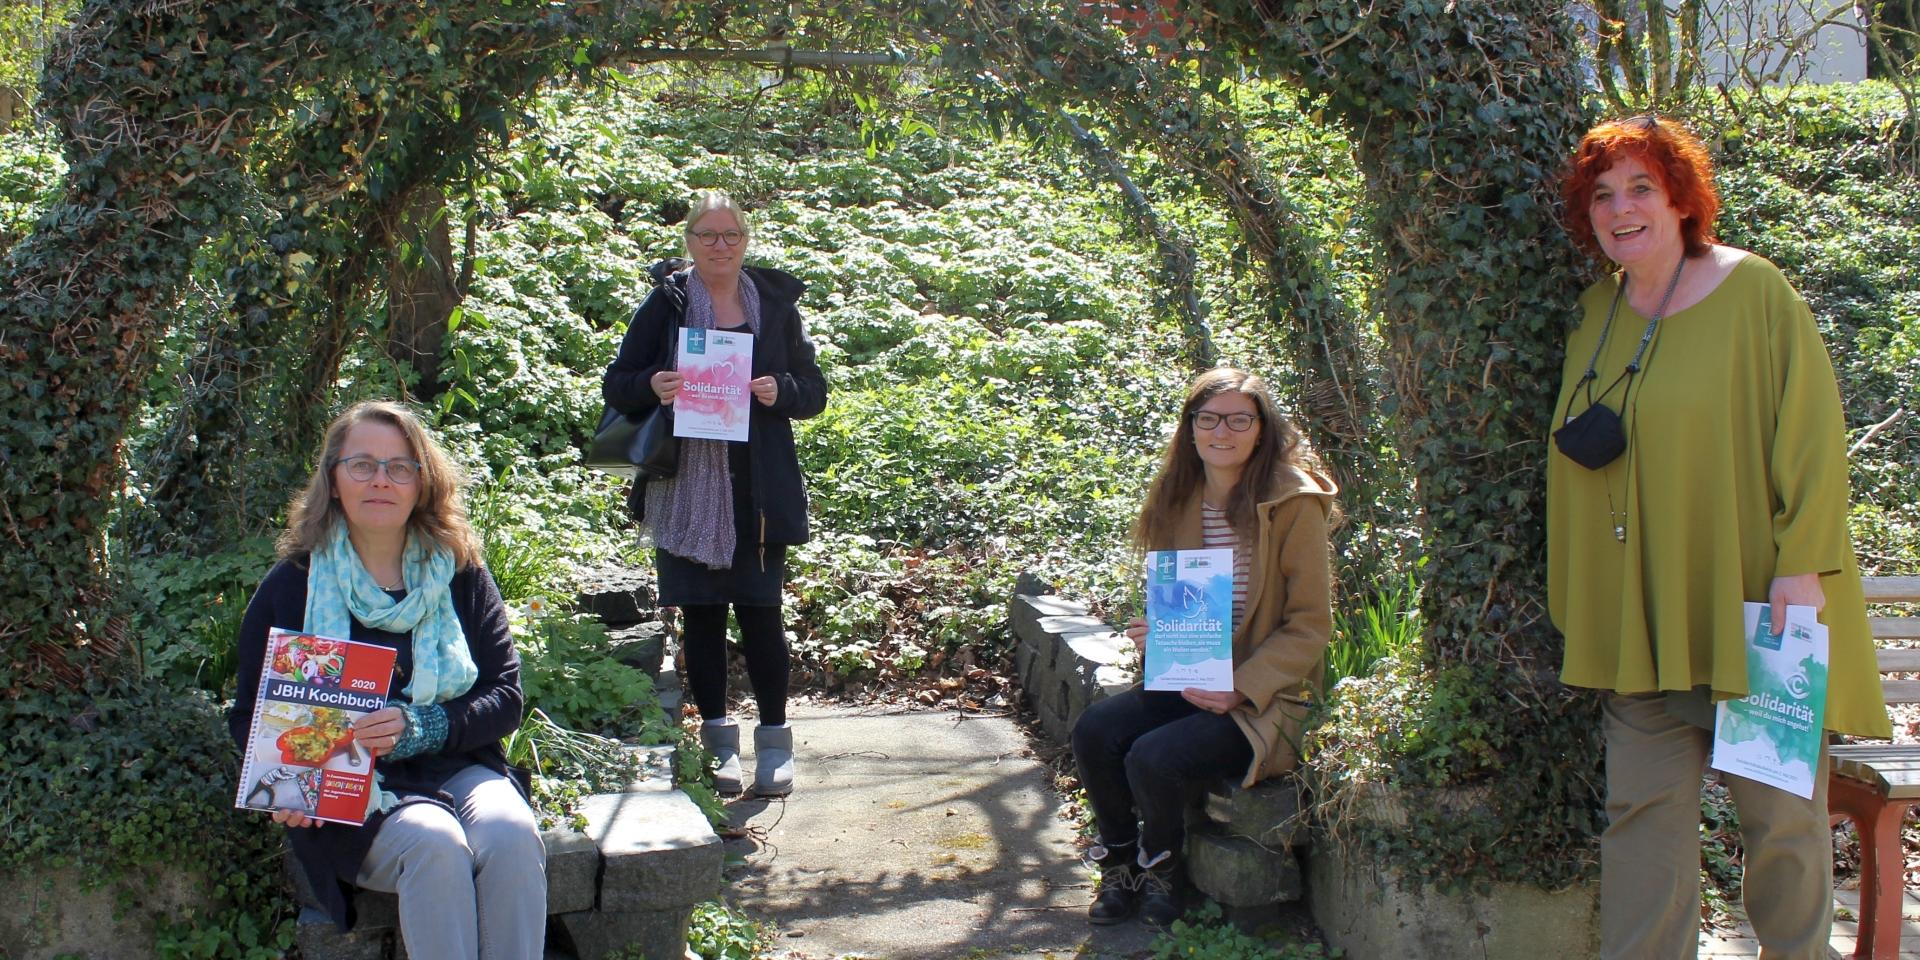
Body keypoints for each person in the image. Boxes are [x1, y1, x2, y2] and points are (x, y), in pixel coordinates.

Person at [1548, 115, 1889, 959]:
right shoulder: (1596, 312)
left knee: (1781, 821)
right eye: (1603, 195)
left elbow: (1811, 436)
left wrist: (1804, 565)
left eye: (1640, 189)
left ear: (1680, 200)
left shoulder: (1754, 291)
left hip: (1755, 610)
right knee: (1643, 827)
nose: (1621, 209)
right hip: (1641, 620)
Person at [229, 401, 546, 958]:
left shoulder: (459, 571)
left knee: (512, 834)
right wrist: (282, 786)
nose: (381, 480)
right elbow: (251, 713)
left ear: (422, 483)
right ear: (333, 477)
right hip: (349, 791)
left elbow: (505, 698)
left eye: (400, 467)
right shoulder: (294, 585)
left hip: (458, 767)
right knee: (436, 844)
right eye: (363, 465)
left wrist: (423, 726)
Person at [1070, 367, 1338, 926]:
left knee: (1154, 755)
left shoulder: (1294, 502)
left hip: (1265, 697)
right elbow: (1181, 602)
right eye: (1210, 418)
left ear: (1261, 429)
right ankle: (1120, 865)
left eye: (1240, 419)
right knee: (1095, 731)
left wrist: (1242, 686)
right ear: (1190, 428)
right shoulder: (1177, 497)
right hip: (1194, 675)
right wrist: (1155, 635)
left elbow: (1310, 624)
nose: (1224, 431)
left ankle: (1164, 873)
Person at [603, 189, 829, 797]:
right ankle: (720, 744)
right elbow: (618, 385)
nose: (720, 246)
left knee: (762, 618)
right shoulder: (667, 303)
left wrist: (779, 389)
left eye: (731, 235)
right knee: (702, 621)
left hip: (759, 491)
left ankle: (776, 745)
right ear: (690, 243)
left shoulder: (775, 305)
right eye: (708, 236)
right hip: (685, 490)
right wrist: (655, 382)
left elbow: (814, 390)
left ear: (745, 240)